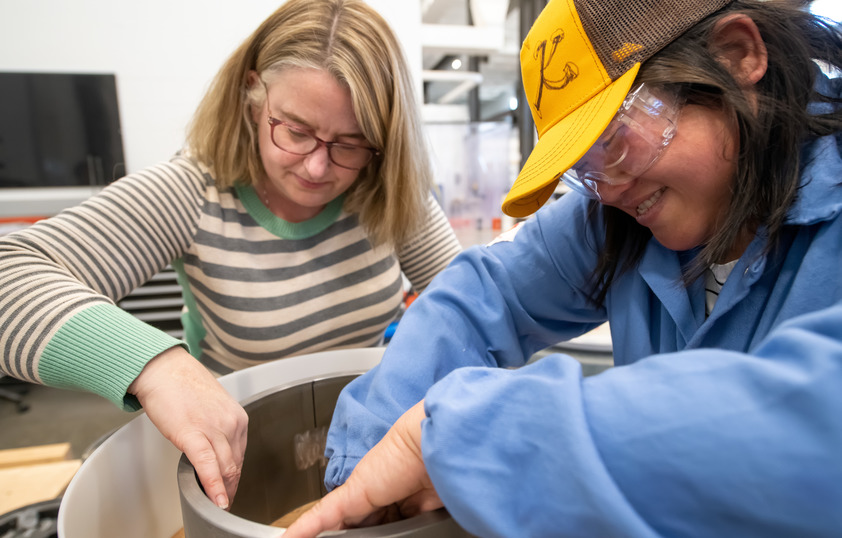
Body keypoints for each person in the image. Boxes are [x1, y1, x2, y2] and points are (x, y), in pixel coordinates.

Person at [285, 0, 842, 536]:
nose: (613, 189)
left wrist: (474, 438)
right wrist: (364, 465)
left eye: (617, 143)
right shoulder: (614, 213)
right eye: (587, 168)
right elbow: (489, 293)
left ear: (736, 54)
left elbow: (807, 425)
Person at [0, 0, 461, 512]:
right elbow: (10, 273)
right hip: (241, 469)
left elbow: (470, 306)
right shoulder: (192, 192)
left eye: (350, 144)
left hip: (376, 447)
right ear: (251, 92)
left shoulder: (388, 188)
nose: (316, 167)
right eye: (295, 130)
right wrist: (155, 367)